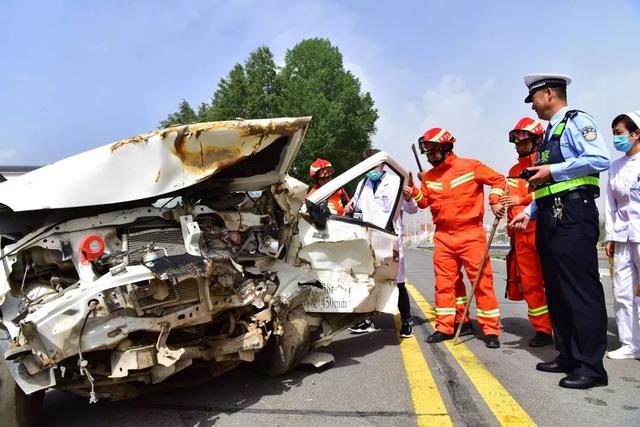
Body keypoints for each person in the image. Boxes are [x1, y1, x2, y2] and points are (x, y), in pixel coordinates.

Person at [510, 74, 611, 389]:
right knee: (556, 290)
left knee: (580, 290)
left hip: (574, 213)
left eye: (535, 99)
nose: (534, 106)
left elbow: (599, 158)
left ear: (549, 93)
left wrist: (553, 169)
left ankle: (591, 366)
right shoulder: (550, 133)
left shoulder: (577, 121)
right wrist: (528, 212)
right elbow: (546, 186)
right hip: (550, 216)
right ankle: (567, 354)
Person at [410, 128, 505, 348]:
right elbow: (424, 202)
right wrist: (413, 192)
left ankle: (491, 330)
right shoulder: (429, 176)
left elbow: (498, 180)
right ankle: (447, 326)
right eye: (427, 153)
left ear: (445, 148)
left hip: (471, 234)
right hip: (443, 236)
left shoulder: (471, 167)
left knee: (481, 283)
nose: (429, 157)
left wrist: (495, 201)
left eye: (432, 152)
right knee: (445, 285)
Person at [344, 149, 417, 338]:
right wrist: (349, 208)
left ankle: (407, 321)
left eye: (373, 165)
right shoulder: (362, 184)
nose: (371, 170)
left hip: (390, 239)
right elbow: (355, 206)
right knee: (370, 282)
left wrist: (409, 198)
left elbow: (412, 209)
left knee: (397, 282)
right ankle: (368, 319)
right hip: (369, 242)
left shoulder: (396, 182)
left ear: (382, 164)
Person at [501, 117, 553, 347]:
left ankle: (561, 326)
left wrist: (520, 200)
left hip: (543, 230)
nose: (519, 146)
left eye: (523, 142)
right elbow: (508, 199)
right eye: (517, 143)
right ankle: (542, 329)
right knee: (531, 285)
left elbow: (548, 191)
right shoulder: (513, 170)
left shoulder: (546, 163)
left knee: (553, 281)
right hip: (520, 236)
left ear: (537, 140)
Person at [604, 111, 640, 360]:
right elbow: (610, 204)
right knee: (622, 290)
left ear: (636, 134)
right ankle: (630, 343)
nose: (616, 139)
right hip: (622, 235)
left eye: (620, 133)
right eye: (615, 134)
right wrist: (609, 235)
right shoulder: (614, 167)